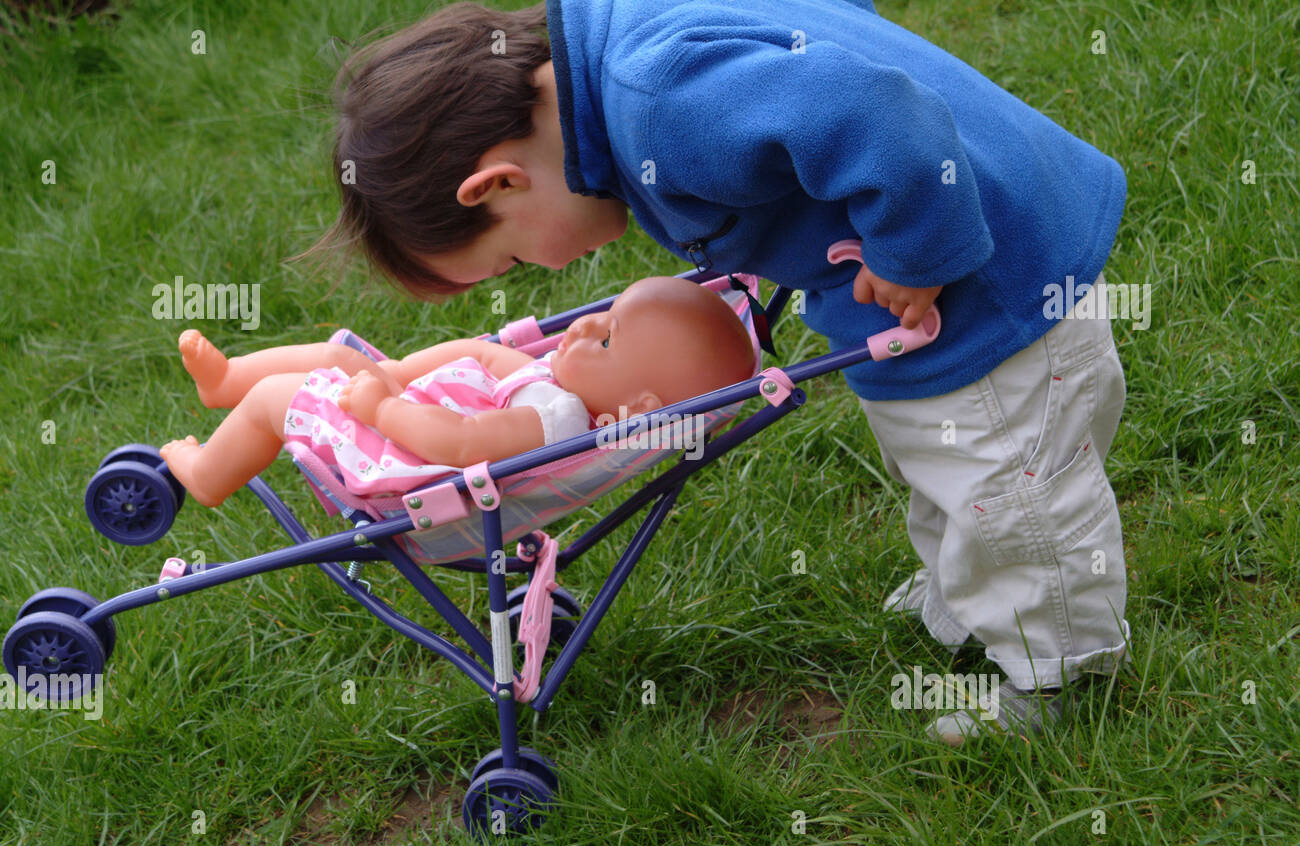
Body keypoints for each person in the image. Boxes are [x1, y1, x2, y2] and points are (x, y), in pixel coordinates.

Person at [302, 0, 1131, 744]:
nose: (543, 272)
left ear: (499, 183)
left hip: (987, 286)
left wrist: (916, 249)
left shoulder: (662, 105)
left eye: (515, 256)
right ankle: (971, 591)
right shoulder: (620, 39)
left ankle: (1056, 672)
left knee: (1007, 482)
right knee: (940, 458)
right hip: (938, 284)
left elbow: (875, 108)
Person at [159, 276, 755, 506]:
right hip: (407, 409)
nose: (585, 326)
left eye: (606, 340)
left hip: (400, 457)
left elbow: (460, 443)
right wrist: (403, 373)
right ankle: (226, 381)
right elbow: (487, 356)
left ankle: (207, 475)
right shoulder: (558, 388)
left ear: (641, 409)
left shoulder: (555, 423)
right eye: (606, 314)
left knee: (277, 400)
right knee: (340, 354)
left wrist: (383, 404)